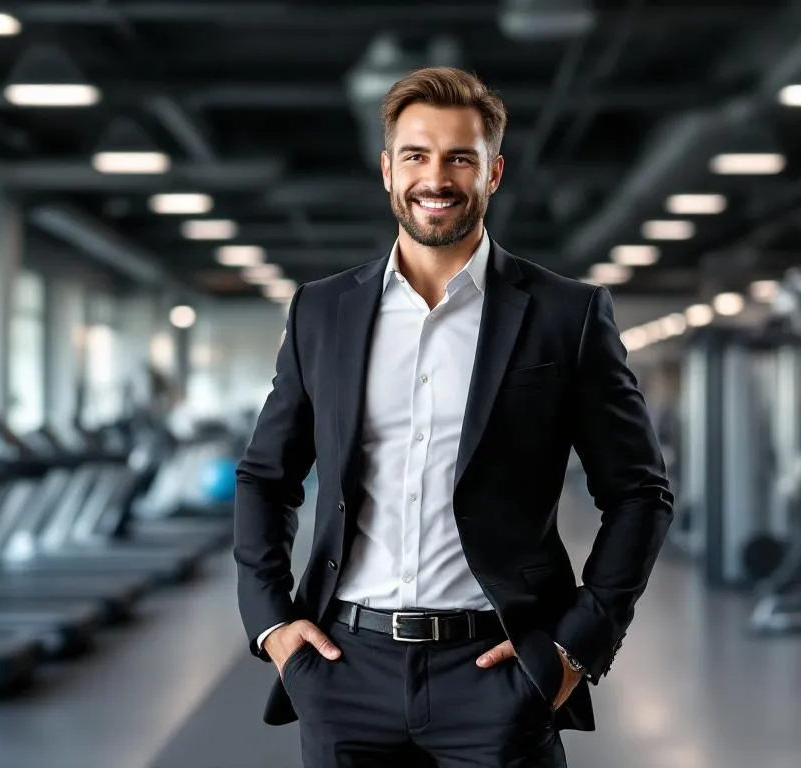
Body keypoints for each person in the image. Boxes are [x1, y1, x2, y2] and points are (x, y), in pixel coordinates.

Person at [233, 65, 674, 767]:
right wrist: (273, 626)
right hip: (345, 672)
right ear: (388, 170)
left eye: (459, 158)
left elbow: (639, 493)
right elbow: (265, 477)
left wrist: (574, 647)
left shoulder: (565, 314)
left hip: (499, 674)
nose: (435, 178)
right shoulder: (322, 311)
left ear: (493, 172)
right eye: (415, 155)